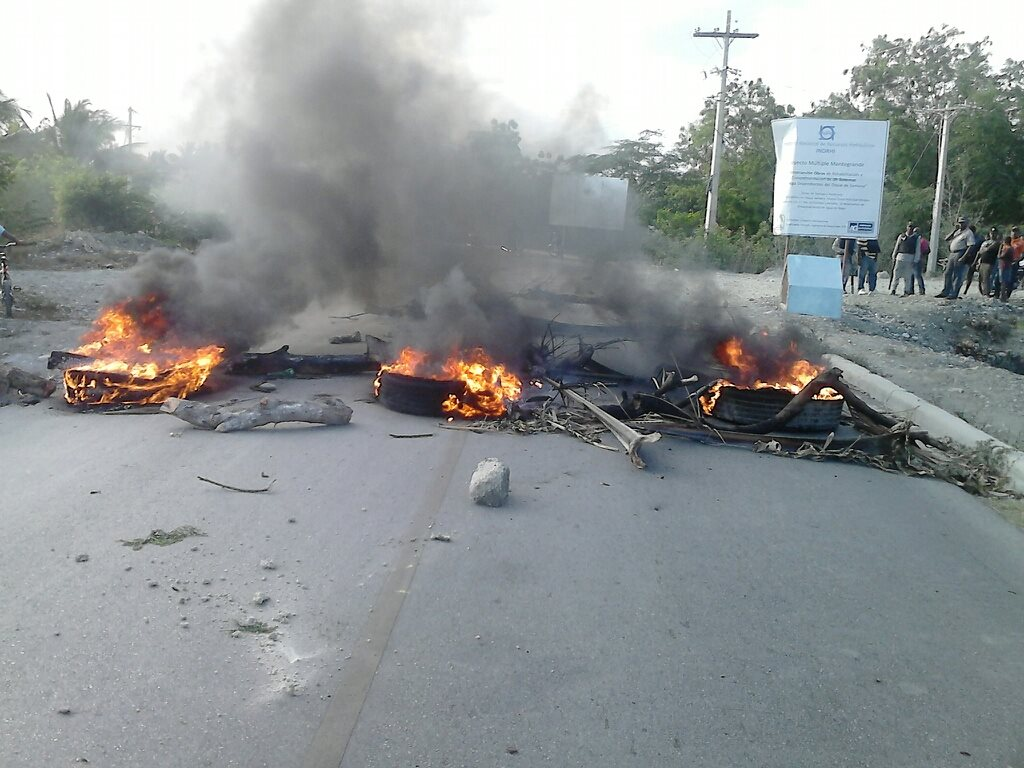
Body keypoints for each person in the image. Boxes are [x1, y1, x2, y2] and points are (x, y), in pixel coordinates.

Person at [890, 222, 920, 296]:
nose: (910, 228)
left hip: (910, 258)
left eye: (911, 227)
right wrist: (894, 255)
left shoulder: (916, 238)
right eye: (909, 227)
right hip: (900, 257)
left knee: (908, 276)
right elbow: (897, 246)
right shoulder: (901, 236)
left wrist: (916, 259)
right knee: (896, 275)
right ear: (907, 227)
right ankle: (893, 289)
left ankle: (906, 291)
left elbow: (917, 249)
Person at [975, 227, 1001, 297]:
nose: (993, 235)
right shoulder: (985, 242)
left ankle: (987, 293)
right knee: (980, 278)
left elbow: (988, 250)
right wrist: (977, 261)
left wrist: (985, 249)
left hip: (990, 262)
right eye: (991, 233)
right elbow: (980, 252)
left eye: (994, 233)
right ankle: (983, 292)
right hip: (982, 261)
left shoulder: (997, 243)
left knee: (988, 278)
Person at [960, 224, 982, 295]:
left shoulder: (979, 239)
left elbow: (980, 250)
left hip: (973, 258)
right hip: (966, 257)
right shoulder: (966, 236)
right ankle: (960, 288)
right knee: (963, 274)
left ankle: (966, 290)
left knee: (969, 275)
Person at [998, 235, 1016, 301]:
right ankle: (1004, 296)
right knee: (1005, 281)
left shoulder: (1006, 248)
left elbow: (1000, 256)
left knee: (1002, 281)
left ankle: (1002, 296)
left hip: (1003, 266)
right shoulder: (1012, 248)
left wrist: (1000, 249)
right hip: (1008, 266)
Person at [913, 226, 929, 295]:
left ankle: (921, 290)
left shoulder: (922, 241)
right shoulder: (922, 240)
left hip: (919, 259)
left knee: (917, 275)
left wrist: (920, 254)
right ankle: (913, 290)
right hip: (918, 259)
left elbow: (927, 251)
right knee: (914, 275)